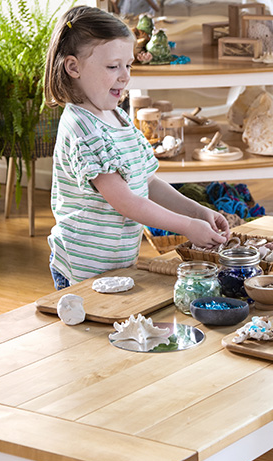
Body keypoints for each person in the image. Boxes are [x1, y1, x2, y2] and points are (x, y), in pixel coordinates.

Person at [44, 5, 229, 291]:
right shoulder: (82, 129)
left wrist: (197, 212)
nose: (125, 76)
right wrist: (187, 228)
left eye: (128, 65)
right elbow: (127, 203)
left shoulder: (118, 117)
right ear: (73, 67)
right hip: (82, 269)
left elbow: (149, 181)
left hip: (117, 263)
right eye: (112, 66)